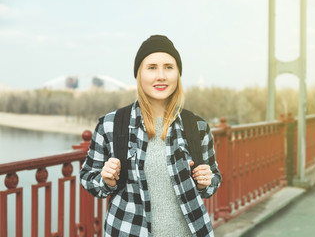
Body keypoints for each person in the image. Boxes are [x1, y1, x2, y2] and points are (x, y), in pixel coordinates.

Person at [79, 35, 221, 237]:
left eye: (169, 67)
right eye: (152, 67)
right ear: (139, 74)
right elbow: (87, 177)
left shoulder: (197, 126)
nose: (161, 76)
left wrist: (205, 180)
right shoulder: (111, 125)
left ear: (178, 73)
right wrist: (106, 180)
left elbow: (213, 180)